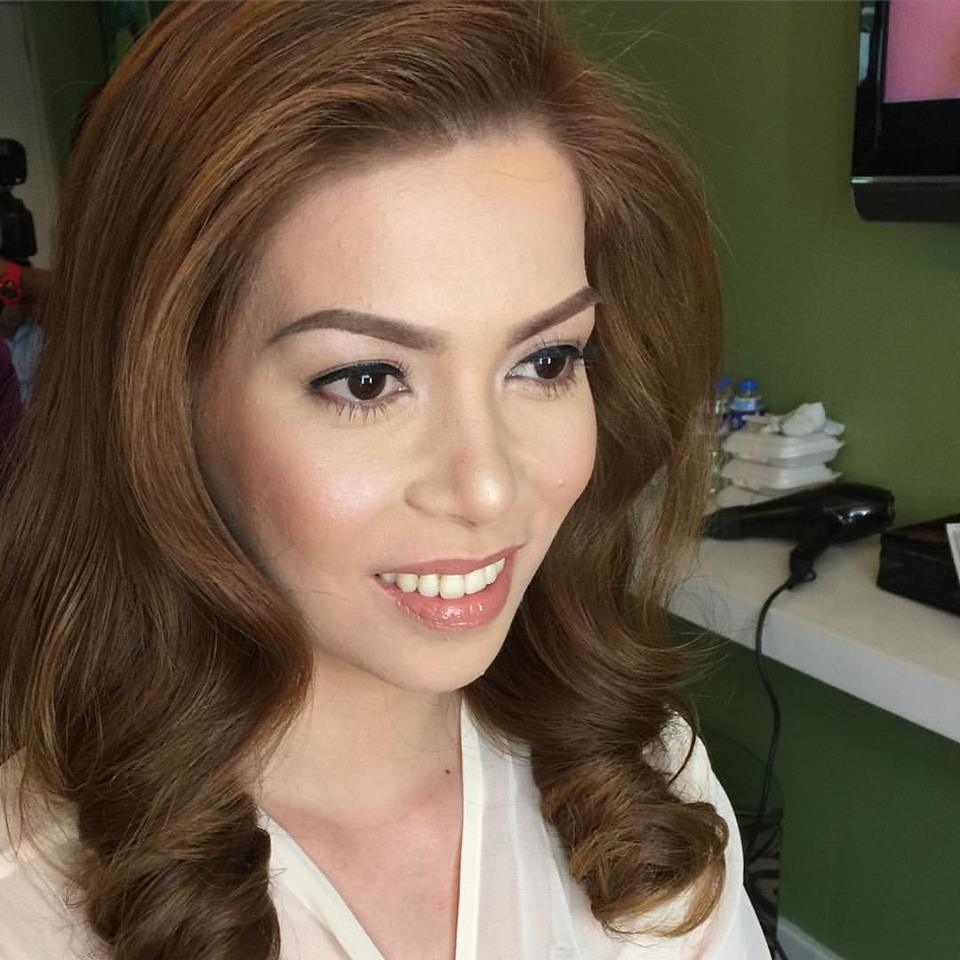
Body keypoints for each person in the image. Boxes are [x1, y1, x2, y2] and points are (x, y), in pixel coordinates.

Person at [0, 2, 768, 959]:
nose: (488, 490)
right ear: (164, 402)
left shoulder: (650, 782)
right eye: (367, 381)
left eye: (545, 361)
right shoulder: (29, 906)